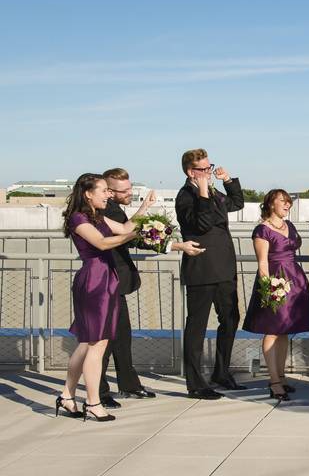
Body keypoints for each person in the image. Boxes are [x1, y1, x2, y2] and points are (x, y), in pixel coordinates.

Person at [98, 168, 205, 408]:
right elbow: (136, 237)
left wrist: (145, 208)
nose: (130, 192)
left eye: (130, 187)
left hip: (115, 281)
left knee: (122, 336)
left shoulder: (113, 209)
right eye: (125, 190)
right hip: (107, 281)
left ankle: (128, 385)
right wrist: (177, 246)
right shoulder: (106, 211)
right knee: (106, 339)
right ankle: (101, 391)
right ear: (110, 191)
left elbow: (131, 232)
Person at [57, 174, 141, 422]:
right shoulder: (78, 218)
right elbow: (103, 243)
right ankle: (93, 402)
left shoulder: (97, 216)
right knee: (97, 343)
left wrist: (145, 212)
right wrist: (132, 236)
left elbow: (126, 228)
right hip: (94, 282)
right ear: (88, 194)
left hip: (107, 280)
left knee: (86, 344)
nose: (108, 194)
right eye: (104, 190)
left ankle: (67, 396)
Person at [176, 149, 246, 399]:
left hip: (224, 267)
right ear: (190, 172)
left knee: (230, 319)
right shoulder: (186, 196)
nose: (208, 172)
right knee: (197, 327)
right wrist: (204, 192)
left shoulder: (214, 192)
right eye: (203, 169)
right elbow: (202, 223)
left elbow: (237, 203)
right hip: (202, 268)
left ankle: (221, 372)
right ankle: (195, 383)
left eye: (209, 167)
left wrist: (228, 181)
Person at [242, 189, 309, 401]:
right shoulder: (262, 230)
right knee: (272, 330)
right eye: (282, 202)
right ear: (270, 204)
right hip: (275, 280)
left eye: (288, 202)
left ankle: (282, 377)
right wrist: (269, 288)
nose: (287, 205)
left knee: (285, 330)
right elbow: (263, 263)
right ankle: (274, 382)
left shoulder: (290, 226)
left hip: (294, 278)